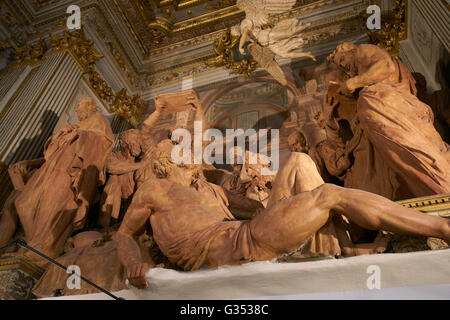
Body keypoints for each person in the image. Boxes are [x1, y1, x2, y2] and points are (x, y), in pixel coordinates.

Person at [113, 140, 450, 289]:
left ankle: (344, 244)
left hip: (249, 228)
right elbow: (124, 234)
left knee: (299, 160)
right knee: (329, 195)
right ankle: (442, 227)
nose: (187, 149)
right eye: (178, 146)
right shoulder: (155, 190)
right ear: (165, 159)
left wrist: (256, 178)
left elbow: (258, 207)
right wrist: (132, 264)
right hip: (233, 245)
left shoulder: (210, 189)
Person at [327, 42, 450, 197]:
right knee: (402, 157)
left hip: (392, 106)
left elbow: (386, 67)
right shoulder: (365, 88)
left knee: (412, 147)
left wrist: (354, 82)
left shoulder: (361, 51)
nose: (344, 65)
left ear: (349, 50)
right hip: (389, 109)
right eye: (341, 65)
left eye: (342, 59)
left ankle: (439, 182)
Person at [13, 98, 114, 266]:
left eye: (79, 106)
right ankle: (36, 243)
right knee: (23, 203)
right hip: (50, 170)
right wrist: (30, 162)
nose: (76, 111)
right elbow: (52, 154)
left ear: (91, 107)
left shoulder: (99, 120)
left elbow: (102, 144)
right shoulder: (76, 126)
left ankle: (40, 248)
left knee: (52, 208)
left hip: (69, 173)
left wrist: (78, 134)